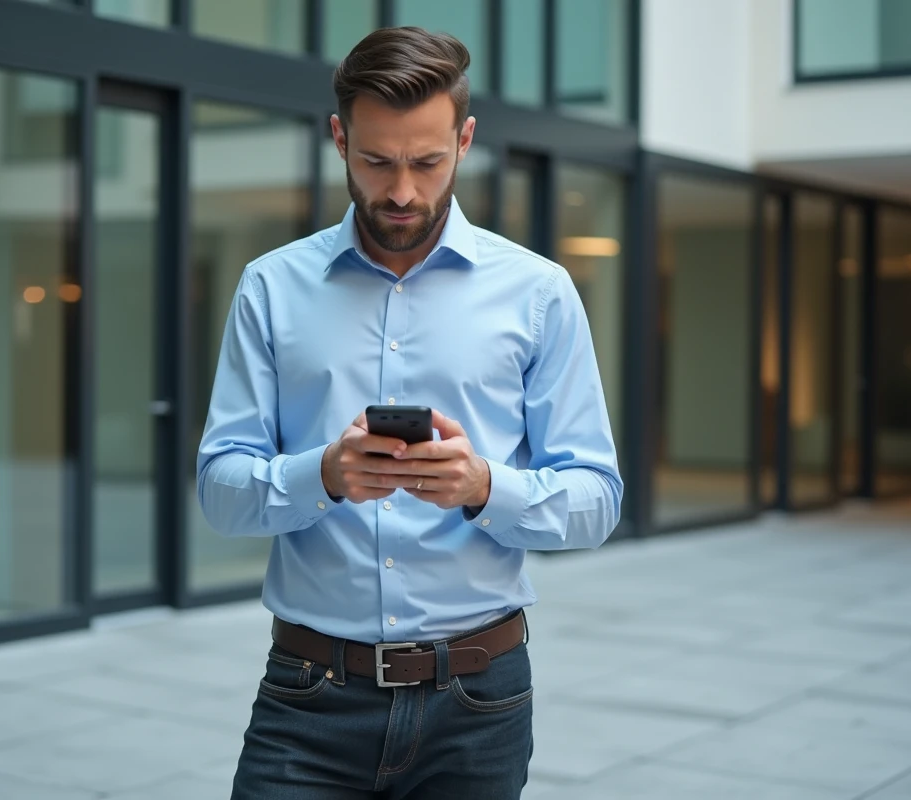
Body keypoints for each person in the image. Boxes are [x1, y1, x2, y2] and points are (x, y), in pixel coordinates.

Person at [196, 25, 623, 800]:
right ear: (338, 138)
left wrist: (484, 487)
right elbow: (221, 492)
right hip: (308, 698)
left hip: (479, 704)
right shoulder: (271, 287)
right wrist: (322, 474)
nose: (401, 191)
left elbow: (597, 500)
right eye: (376, 161)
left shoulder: (538, 293)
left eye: (426, 162)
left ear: (464, 139)